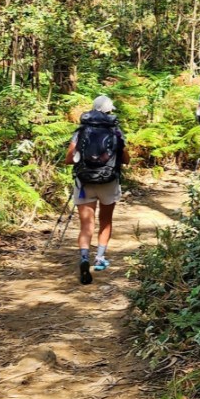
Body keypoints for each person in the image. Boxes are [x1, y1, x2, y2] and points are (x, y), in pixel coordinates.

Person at [65, 95, 127, 285]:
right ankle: (99, 258)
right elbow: (126, 159)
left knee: (86, 225)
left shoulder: (81, 131)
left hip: (85, 183)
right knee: (105, 221)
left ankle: (84, 257)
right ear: (109, 111)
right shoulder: (116, 131)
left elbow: (68, 158)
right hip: (108, 182)